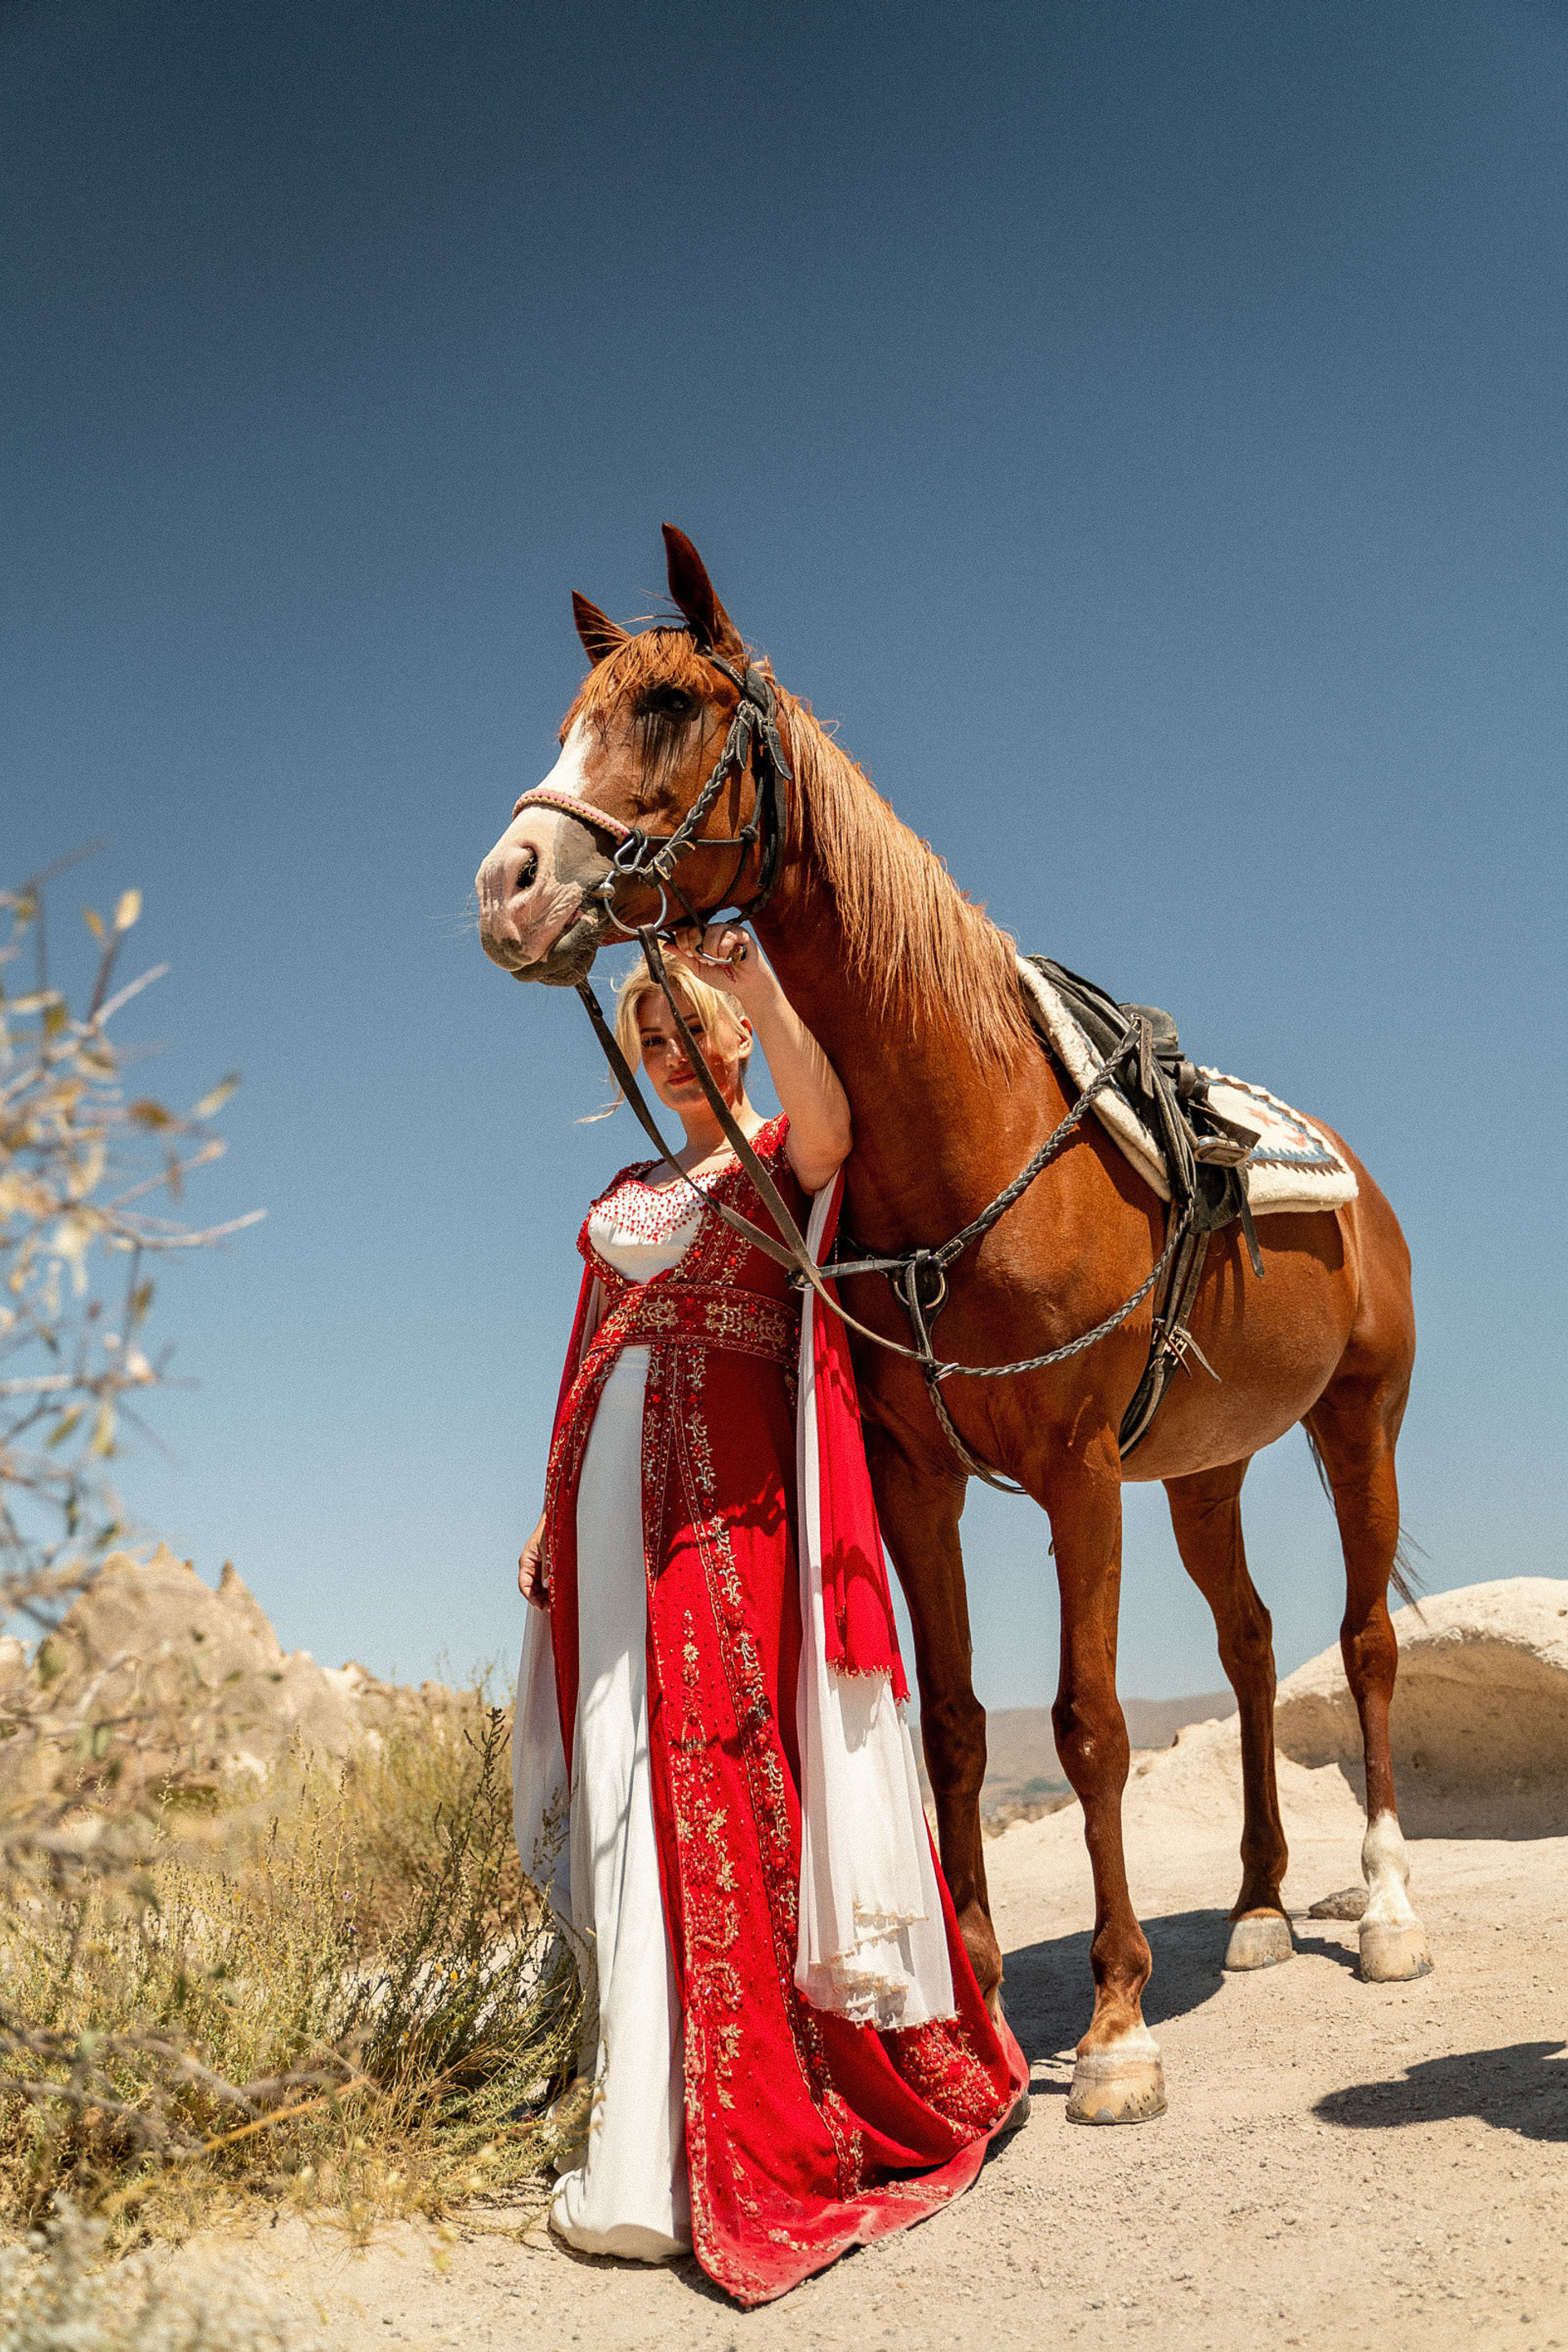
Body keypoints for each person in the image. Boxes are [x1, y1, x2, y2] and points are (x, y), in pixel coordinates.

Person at [510, 921, 1024, 2309]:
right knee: (625, 1777)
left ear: (732, 1036)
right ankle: (640, 2124)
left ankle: (737, 2123)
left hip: (728, 1508)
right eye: (652, 1039)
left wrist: (757, 983)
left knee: (722, 1770)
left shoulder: (782, 1141)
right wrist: (546, 1516)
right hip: (612, 1517)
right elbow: (585, 1353)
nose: (671, 1054)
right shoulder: (627, 1183)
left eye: (689, 1030)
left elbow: (832, 1127)